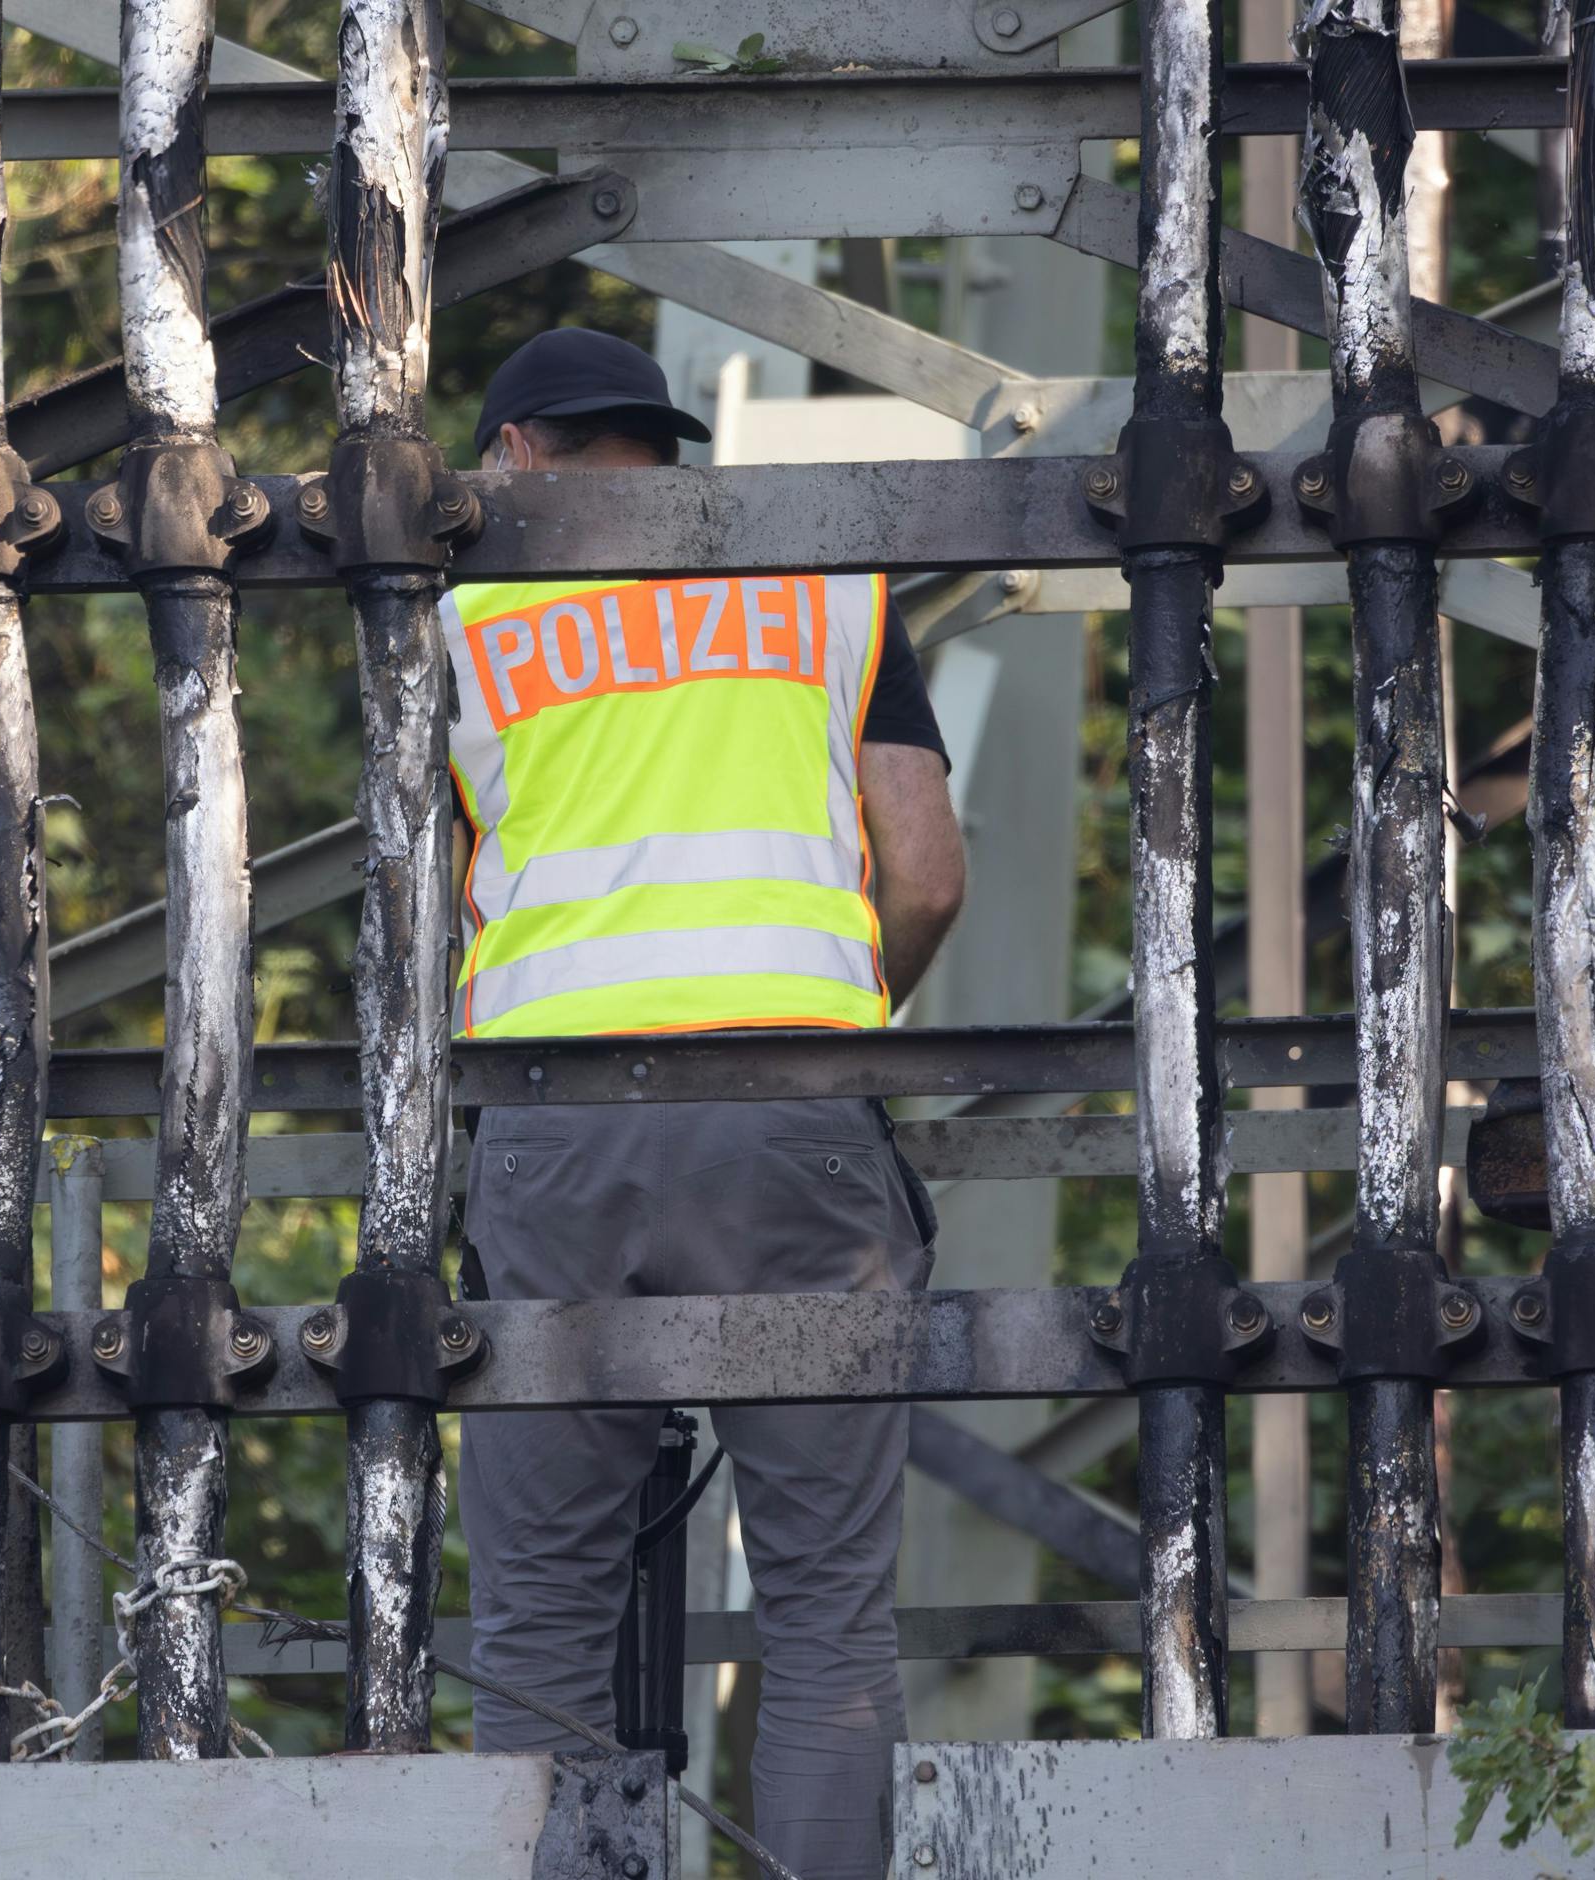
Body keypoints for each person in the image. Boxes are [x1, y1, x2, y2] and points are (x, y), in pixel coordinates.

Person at [446, 328, 965, 1880]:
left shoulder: (455, 617)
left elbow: (410, 911)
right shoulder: (826, 589)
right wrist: (826, 1029)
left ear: (517, 451)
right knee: (829, 1616)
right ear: (657, 447)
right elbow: (927, 873)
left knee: (540, 1620)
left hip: (552, 1126)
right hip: (794, 1117)